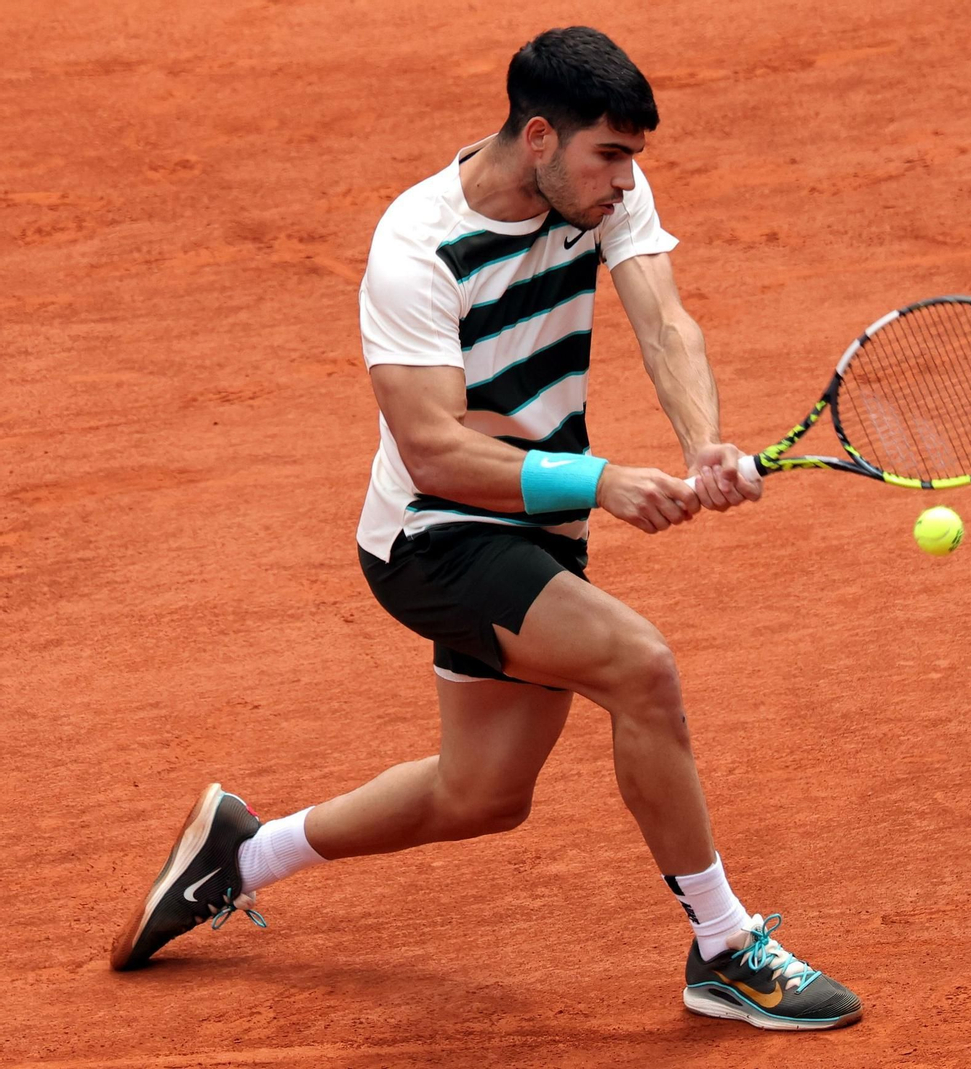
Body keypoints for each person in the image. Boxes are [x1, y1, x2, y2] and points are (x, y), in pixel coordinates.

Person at [109, 26, 862, 1032]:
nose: (627, 183)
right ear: (540, 137)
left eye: (634, 159)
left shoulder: (605, 193)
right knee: (639, 668)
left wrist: (704, 444)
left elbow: (663, 319)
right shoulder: (416, 249)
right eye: (610, 157)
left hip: (531, 531)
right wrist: (600, 480)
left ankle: (241, 853)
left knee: (482, 794)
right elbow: (432, 451)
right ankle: (724, 947)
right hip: (434, 538)